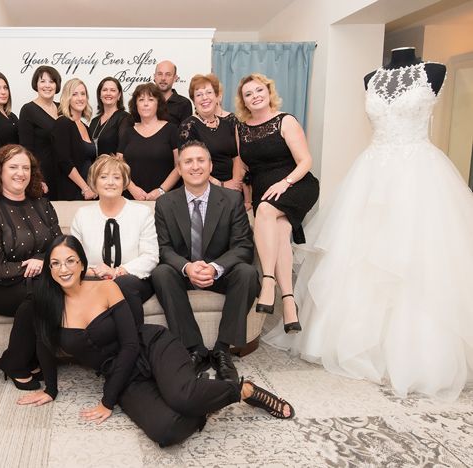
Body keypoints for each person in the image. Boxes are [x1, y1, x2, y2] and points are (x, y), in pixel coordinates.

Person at [264, 48, 473, 401]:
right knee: (359, 256)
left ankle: (416, 355)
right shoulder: (371, 78)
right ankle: (358, 345)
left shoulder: (434, 71)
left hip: (419, 174)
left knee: (417, 256)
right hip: (372, 173)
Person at [16, 235, 294, 447]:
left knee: (180, 397)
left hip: (149, 347)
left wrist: (107, 401)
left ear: (81, 263)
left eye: (70, 261)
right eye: (55, 263)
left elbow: (130, 345)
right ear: (49, 267)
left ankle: (241, 390)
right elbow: (43, 344)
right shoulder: (45, 302)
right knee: (165, 432)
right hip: (121, 374)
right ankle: (201, 402)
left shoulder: (105, 287)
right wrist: (50, 390)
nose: (63, 269)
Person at [151, 140, 258, 381]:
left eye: (201, 160)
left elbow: (243, 246)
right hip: (184, 274)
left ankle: (222, 349)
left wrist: (215, 267)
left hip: (220, 272)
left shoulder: (231, 199)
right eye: (188, 161)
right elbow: (163, 248)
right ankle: (194, 349)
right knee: (161, 273)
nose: (195, 166)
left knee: (247, 273)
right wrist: (187, 267)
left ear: (210, 166)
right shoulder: (165, 203)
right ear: (179, 169)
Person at [236, 73, 319, 334]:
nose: (255, 96)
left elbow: (306, 161)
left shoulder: (286, 121)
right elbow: (245, 169)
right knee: (281, 234)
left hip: (296, 185)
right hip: (265, 190)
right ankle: (289, 304)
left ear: (269, 92)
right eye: (248, 94)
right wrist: (247, 198)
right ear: (244, 102)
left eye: (259, 90)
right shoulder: (242, 128)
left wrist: (285, 183)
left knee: (265, 210)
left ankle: (268, 282)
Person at [0, 144, 62, 389]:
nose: (20, 173)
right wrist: (33, 267)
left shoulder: (43, 205)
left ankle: (22, 358)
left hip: (37, 279)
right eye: (13, 167)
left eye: (25, 168)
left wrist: (43, 260)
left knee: (41, 292)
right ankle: (16, 363)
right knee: (39, 295)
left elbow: (59, 245)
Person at [70, 154, 158, 325]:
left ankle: (134, 344)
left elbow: (151, 256)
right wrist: (92, 272)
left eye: (116, 177)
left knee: (123, 284)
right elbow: (73, 257)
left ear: (124, 183)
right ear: (94, 182)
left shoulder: (142, 213)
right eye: (103, 177)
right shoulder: (82, 215)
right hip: (93, 279)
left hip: (134, 280)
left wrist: (117, 272)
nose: (110, 182)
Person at [179, 74, 243, 190]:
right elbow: (190, 164)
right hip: (204, 187)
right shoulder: (188, 126)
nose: (204, 98)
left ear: (217, 96)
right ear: (193, 100)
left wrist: (235, 183)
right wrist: (221, 185)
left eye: (209, 93)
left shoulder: (227, 122)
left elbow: (236, 157)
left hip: (232, 188)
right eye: (199, 95)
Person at [117, 83, 179, 201]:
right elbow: (119, 166)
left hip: (166, 199)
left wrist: (161, 190)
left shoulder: (171, 130)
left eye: (151, 99)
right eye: (141, 100)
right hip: (131, 199)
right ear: (136, 104)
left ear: (158, 104)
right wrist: (132, 188)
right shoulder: (128, 133)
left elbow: (179, 166)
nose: (145, 104)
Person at [19, 66, 61, 200]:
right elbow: (26, 150)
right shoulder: (28, 110)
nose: (47, 85)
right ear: (36, 85)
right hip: (42, 176)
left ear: (57, 85)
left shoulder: (62, 108)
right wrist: (37, 178)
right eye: (43, 81)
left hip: (64, 174)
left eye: (51, 81)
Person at [52, 78, 97, 201]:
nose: (80, 98)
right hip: (72, 192)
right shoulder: (63, 123)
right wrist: (85, 188)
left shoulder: (85, 127)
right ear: (67, 98)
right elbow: (64, 161)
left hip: (90, 192)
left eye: (83, 94)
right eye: (74, 94)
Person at [88, 77, 132, 157]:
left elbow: (123, 152)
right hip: (93, 168)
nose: (108, 93)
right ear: (100, 95)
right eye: (105, 90)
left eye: (113, 90)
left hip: (113, 169)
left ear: (119, 95)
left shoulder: (125, 118)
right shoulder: (94, 121)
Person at [153, 60, 192, 126]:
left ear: (175, 78)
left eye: (168, 75)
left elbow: (186, 133)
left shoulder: (184, 104)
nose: (163, 78)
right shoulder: (146, 102)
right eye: (160, 74)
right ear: (154, 76)